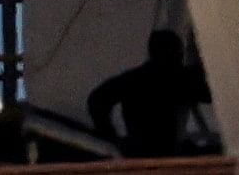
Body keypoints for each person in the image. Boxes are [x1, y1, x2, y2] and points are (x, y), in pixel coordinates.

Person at [87, 29, 209, 157]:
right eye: (178, 51)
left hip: (139, 152)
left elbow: (97, 100)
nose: (180, 56)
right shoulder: (176, 79)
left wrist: (111, 138)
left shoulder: (134, 79)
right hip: (163, 153)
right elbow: (210, 93)